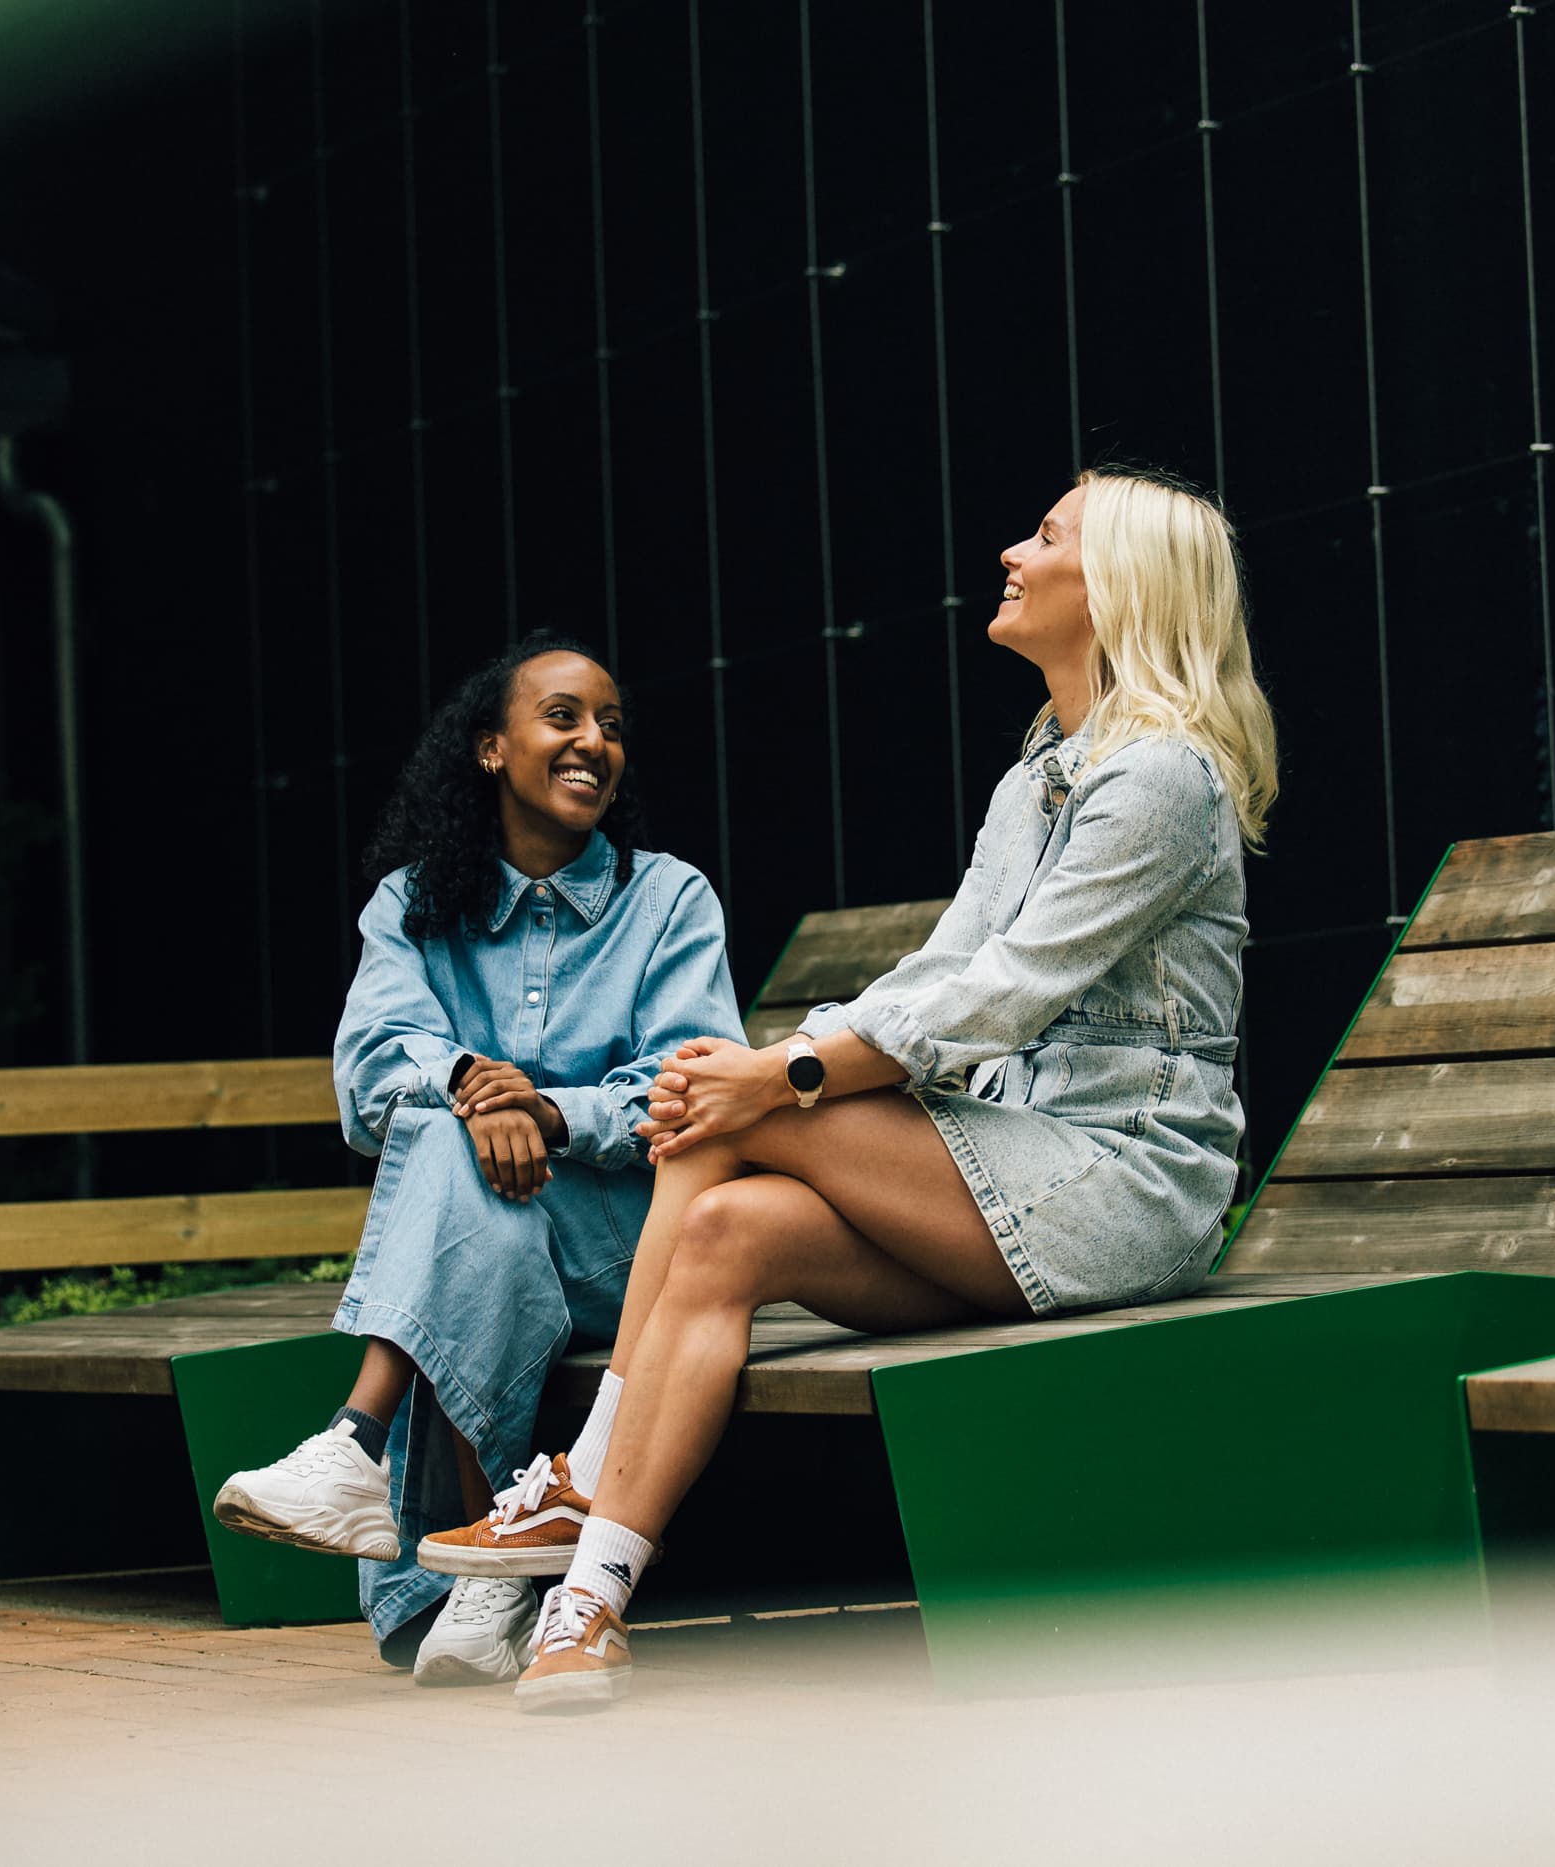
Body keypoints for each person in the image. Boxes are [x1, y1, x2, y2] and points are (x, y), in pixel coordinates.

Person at [419, 466, 1281, 1713]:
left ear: (1119, 587)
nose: (1012, 552)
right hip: (1009, 1166)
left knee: (724, 1115)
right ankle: (591, 1599)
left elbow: (1005, 992)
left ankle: (580, 1477)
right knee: (723, 1225)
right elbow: (941, 965)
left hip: (1124, 1179)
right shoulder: (1036, 775)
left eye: (1045, 536)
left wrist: (780, 1072)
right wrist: (770, 1066)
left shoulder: (1161, 779)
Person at [210, 632, 744, 1686]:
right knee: (459, 1159)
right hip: (487, 1246)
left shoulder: (667, 900)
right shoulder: (412, 904)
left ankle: (355, 1443)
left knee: (458, 1161)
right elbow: (369, 1073)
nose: (594, 741)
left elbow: (687, 1090)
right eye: (563, 717)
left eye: (611, 726)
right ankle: (487, 1581)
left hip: (633, 1257)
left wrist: (544, 1112)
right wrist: (468, 1084)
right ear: (492, 747)